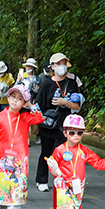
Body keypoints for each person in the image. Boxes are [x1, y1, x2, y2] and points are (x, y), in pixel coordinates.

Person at [34, 53, 82, 192]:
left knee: (65, 153)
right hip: (49, 124)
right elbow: (38, 105)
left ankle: (62, 179)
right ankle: (41, 180)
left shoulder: (72, 83)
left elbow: (77, 106)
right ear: (53, 67)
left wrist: (65, 102)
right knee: (47, 152)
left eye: (64, 63)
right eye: (58, 63)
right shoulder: (46, 84)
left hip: (66, 124)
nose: (62, 66)